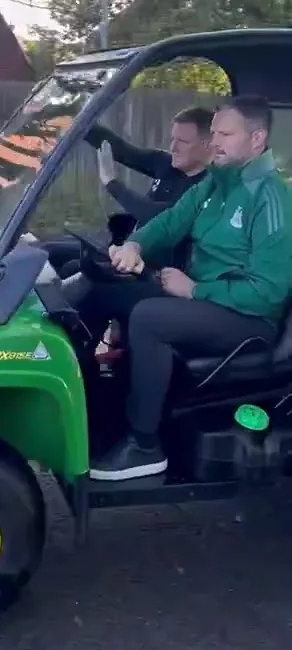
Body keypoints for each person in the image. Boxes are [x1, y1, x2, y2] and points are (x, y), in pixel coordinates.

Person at [79, 95, 292, 482]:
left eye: (225, 134)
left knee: (149, 318)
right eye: (213, 133)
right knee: (104, 289)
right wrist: (134, 246)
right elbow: (169, 222)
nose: (214, 142)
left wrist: (194, 290)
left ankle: (145, 445)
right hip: (205, 300)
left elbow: (268, 293)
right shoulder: (213, 183)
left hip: (248, 319)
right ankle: (97, 409)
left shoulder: (271, 198)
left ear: (257, 139)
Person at [86, 105, 214, 227]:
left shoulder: (208, 188)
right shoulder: (165, 163)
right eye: (173, 139)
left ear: (207, 145)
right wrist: (80, 125)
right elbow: (124, 152)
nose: (173, 147)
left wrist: (112, 184)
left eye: (183, 142)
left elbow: (157, 216)